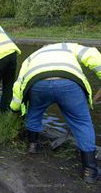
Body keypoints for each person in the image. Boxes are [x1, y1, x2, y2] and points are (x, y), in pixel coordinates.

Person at [10, 42, 101, 183]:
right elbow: (93, 56)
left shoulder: (32, 56)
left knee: (34, 112)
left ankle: (33, 145)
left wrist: (14, 108)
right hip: (68, 82)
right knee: (82, 122)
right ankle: (89, 169)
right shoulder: (67, 47)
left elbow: (19, 84)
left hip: (37, 83)